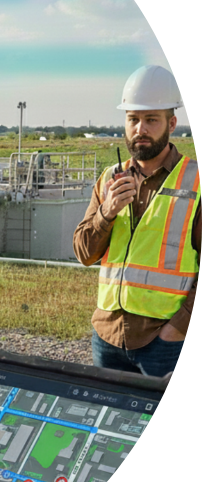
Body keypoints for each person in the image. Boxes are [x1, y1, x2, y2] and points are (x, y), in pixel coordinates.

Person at [73, 65, 198, 377]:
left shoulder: (195, 183)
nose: (140, 128)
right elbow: (83, 253)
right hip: (107, 336)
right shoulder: (108, 179)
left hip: (164, 342)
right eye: (133, 119)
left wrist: (178, 328)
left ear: (171, 123)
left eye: (151, 119)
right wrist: (107, 212)